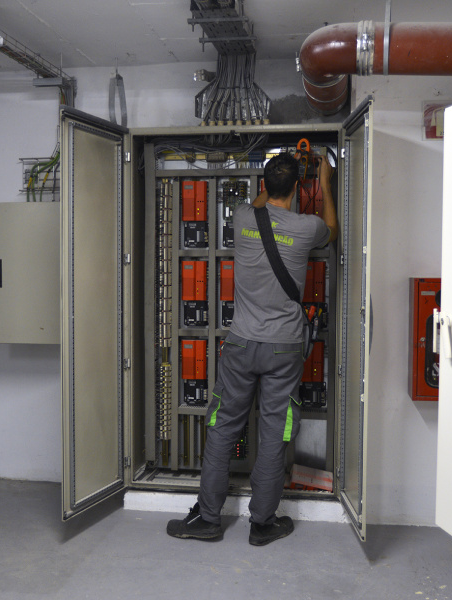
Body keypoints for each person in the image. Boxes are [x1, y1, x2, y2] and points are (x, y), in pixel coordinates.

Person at [167, 151, 339, 545]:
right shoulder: (307, 227)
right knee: (275, 432)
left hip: (241, 344)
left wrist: (274, 181)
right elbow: (333, 229)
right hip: (285, 348)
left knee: (222, 428)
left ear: (263, 185)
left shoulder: (245, 216)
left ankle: (208, 518)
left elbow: (262, 203)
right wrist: (324, 183)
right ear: (297, 188)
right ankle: (262, 523)